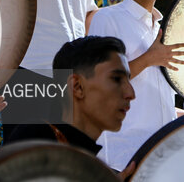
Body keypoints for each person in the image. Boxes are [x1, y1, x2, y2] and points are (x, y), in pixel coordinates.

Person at [88, 0, 184, 171]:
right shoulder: (108, 18)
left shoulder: (165, 27)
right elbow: (98, 83)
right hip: (122, 156)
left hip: (165, 156)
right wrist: (148, 59)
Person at [7, 36, 135, 178]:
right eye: (116, 79)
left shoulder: (89, 162)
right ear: (77, 86)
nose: (131, 93)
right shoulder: (36, 139)